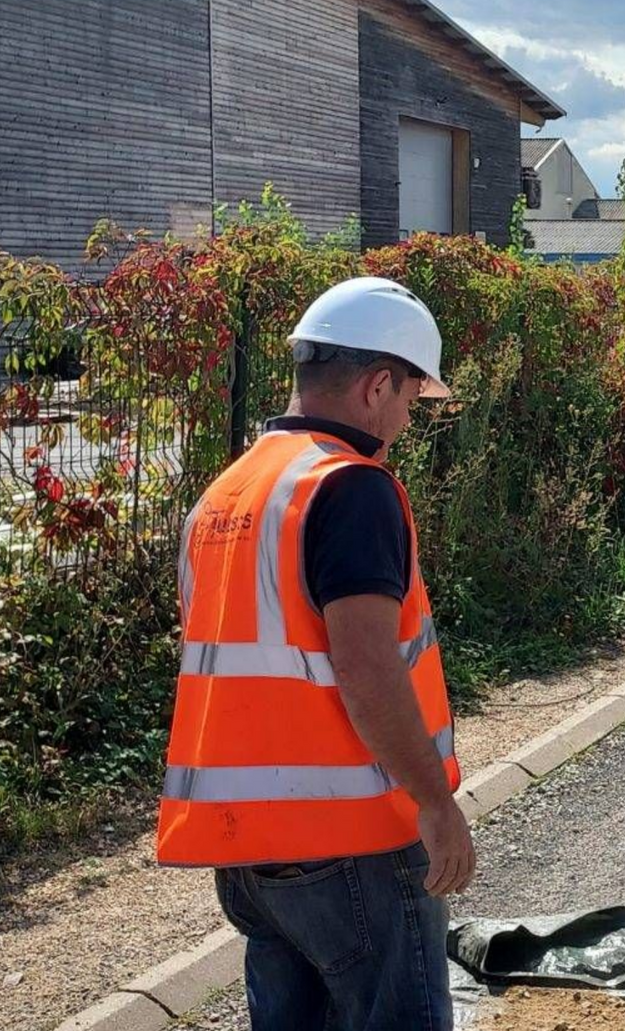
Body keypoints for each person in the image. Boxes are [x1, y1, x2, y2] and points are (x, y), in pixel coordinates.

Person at [157, 277, 470, 1031]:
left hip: (250, 853)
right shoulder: (350, 488)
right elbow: (366, 669)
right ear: (377, 385)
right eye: (408, 401)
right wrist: (435, 803)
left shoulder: (226, 495)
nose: (403, 422)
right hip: (354, 842)